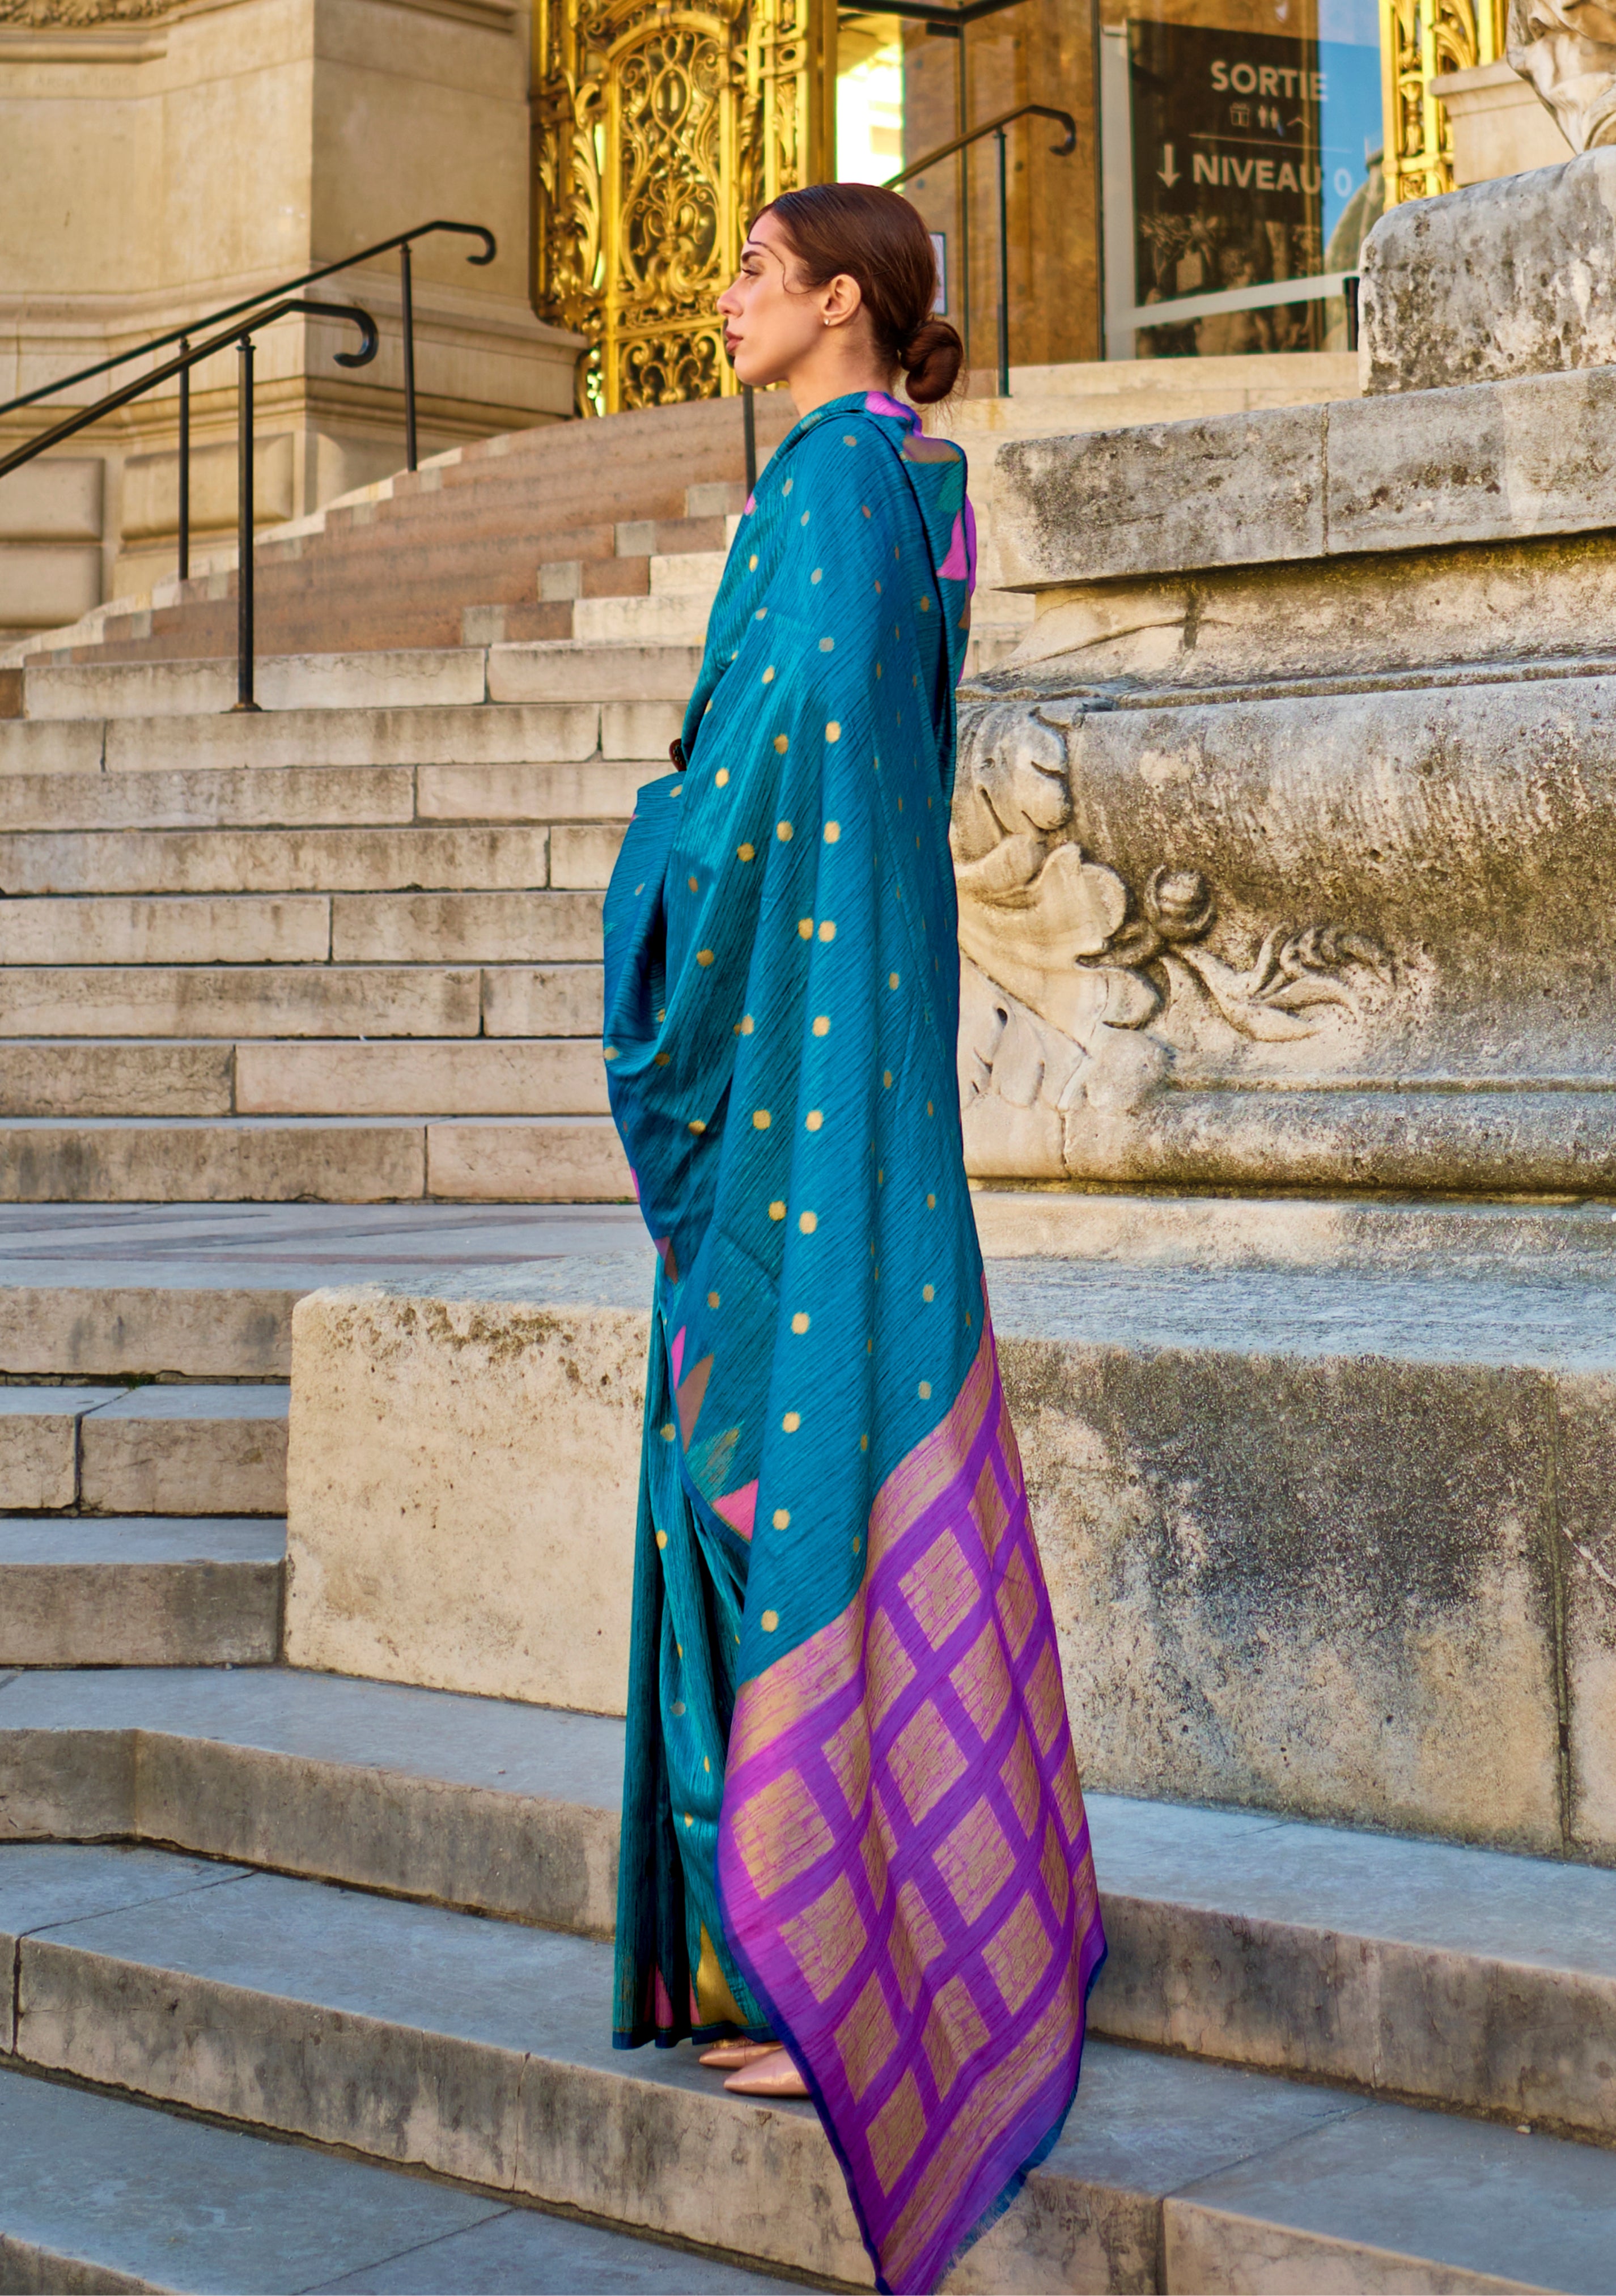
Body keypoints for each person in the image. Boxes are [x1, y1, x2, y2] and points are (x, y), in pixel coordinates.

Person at [602, 180, 1106, 2296]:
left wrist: (648, 854)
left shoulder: (821, 499)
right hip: (862, 1043)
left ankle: (828, 1967)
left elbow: (771, 775)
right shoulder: (912, 493)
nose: (717, 296)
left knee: (789, 1462)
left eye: (746, 272)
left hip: (804, 1072)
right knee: (863, 1442)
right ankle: (858, 1937)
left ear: (836, 307)